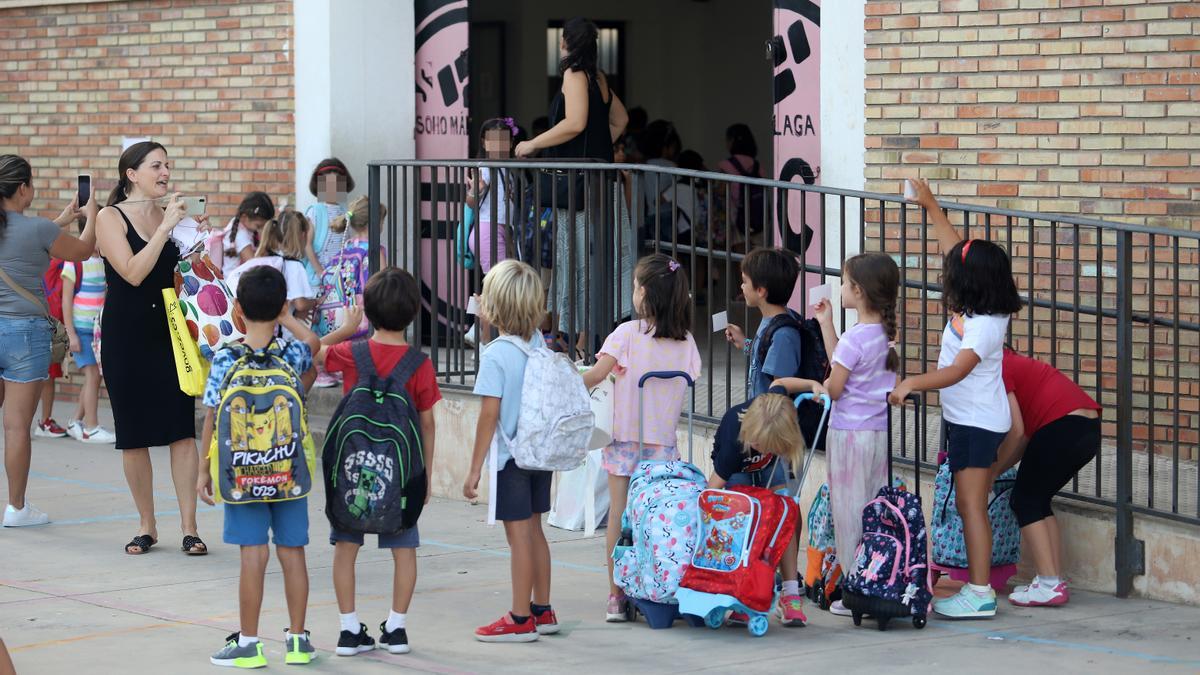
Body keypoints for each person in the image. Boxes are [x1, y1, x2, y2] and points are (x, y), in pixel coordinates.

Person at [889, 178, 1024, 619]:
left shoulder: (986, 326)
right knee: (969, 504)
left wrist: (912, 383)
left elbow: (957, 371)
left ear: (971, 283)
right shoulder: (982, 308)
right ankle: (978, 587)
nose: (948, 272)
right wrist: (929, 204)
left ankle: (981, 591)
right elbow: (955, 248)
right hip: (971, 419)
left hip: (979, 424)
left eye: (955, 272)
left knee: (971, 505)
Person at [197, 265, 321, 668]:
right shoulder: (291, 352)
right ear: (282, 305)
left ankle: (249, 643)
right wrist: (288, 318)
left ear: (236, 309)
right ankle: (298, 641)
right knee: (292, 552)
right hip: (288, 472)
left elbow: (212, 417)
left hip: (242, 473)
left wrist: (204, 470)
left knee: (253, 554)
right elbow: (315, 343)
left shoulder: (225, 357)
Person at [317, 268, 441, 656]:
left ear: (366, 312)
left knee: (344, 549)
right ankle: (397, 628)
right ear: (412, 314)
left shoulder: (353, 354)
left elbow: (313, 350)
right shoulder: (419, 365)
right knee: (405, 551)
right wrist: (425, 475)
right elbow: (427, 423)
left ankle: (349, 629)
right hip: (400, 475)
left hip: (352, 471)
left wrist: (345, 329)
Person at [93, 141, 207, 553]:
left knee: (181, 431)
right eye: (156, 166)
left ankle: (190, 528)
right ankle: (147, 525)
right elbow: (132, 273)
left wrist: (196, 241)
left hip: (171, 334)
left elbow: (188, 277)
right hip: (126, 335)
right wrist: (164, 228)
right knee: (134, 435)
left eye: (167, 166)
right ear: (132, 174)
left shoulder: (174, 218)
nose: (165, 173)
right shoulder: (110, 217)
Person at [777, 252, 901, 617]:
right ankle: (874, 578)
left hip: (848, 436)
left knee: (849, 514)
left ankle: (855, 587)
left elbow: (834, 387)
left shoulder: (855, 339)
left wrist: (819, 385)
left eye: (846, 283)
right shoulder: (884, 335)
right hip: (876, 434)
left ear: (858, 291)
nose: (842, 287)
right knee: (872, 509)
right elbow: (843, 365)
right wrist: (827, 324)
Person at [580, 253, 702, 622]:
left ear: (646, 294)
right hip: (663, 445)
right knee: (655, 517)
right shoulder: (687, 343)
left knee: (619, 512)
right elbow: (690, 377)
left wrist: (565, 377)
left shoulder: (627, 334)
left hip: (625, 440)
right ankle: (657, 582)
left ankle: (616, 594)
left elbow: (598, 374)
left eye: (635, 285)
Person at [514, 17, 632, 345]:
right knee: (599, 259)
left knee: (577, 260)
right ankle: (587, 337)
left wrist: (534, 143)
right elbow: (621, 118)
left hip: (581, 188)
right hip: (601, 183)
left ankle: (580, 341)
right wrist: (600, 145)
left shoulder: (574, 74)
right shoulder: (599, 77)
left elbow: (575, 122)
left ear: (566, 42)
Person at [463, 260, 561, 643]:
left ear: (495, 306)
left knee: (518, 536)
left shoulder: (495, 356)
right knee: (536, 531)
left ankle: (520, 618)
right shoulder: (538, 342)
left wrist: (474, 470)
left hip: (512, 458)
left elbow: (489, 416)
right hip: (540, 453)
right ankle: (543, 608)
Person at [0, 154, 98, 527]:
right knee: (16, 427)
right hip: (25, 333)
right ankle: (17, 507)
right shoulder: (37, 230)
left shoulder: (37, 228)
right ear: (23, 188)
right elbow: (83, 251)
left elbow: (31, 237)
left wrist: (64, 219)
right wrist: (91, 217)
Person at [708, 386, 822, 627]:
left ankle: (790, 593)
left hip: (768, 464)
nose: (764, 449)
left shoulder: (775, 408)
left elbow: (781, 382)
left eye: (770, 447)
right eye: (762, 445)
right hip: (739, 468)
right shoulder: (735, 440)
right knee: (746, 522)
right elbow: (711, 493)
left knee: (783, 512)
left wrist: (812, 386)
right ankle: (747, 590)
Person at [994, 355, 1101, 607]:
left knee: (1024, 501)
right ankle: (1052, 580)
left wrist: (991, 472)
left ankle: (1049, 583)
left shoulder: (997, 366)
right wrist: (997, 471)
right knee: (1039, 500)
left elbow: (1016, 432)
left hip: (1062, 426)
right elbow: (1023, 441)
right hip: (1087, 429)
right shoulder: (1017, 365)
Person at [723, 248, 803, 398]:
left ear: (760, 291)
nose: (742, 286)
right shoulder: (772, 320)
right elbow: (760, 356)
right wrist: (744, 343)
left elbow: (779, 391)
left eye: (745, 281)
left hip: (769, 416)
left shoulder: (783, 335)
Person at [225, 208, 318, 336]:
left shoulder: (264, 260)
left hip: (256, 331)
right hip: (283, 335)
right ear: (303, 235)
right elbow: (300, 304)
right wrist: (316, 301)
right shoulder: (294, 265)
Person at [61, 223, 115, 443]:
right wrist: (70, 334)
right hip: (81, 330)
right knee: (92, 375)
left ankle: (76, 421)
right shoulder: (74, 264)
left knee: (95, 377)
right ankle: (90, 428)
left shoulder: (104, 262)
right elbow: (66, 299)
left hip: (97, 331)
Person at [312, 194, 388, 343]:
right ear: (374, 222)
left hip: (342, 316)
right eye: (381, 221)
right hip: (363, 317)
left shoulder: (347, 245)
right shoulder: (374, 250)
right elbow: (383, 286)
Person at [304, 157, 355, 282]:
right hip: (318, 278)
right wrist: (320, 272)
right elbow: (307, 244)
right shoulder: (315, 211)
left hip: (339, 277)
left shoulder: (344, 212)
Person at [717, 123, 765, 236]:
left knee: (739, 253)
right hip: (758, 219)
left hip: (736, 219)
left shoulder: (725, 165)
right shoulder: (758, 166)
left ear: (732, 141)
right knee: (757, 253)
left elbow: (721, 191)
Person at [213, 191, 275, 278]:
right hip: (235, 285)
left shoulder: (241, 225)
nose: (261, 229)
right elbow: (253, 264)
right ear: (244, 217)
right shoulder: (240, 235)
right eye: (258, 226)